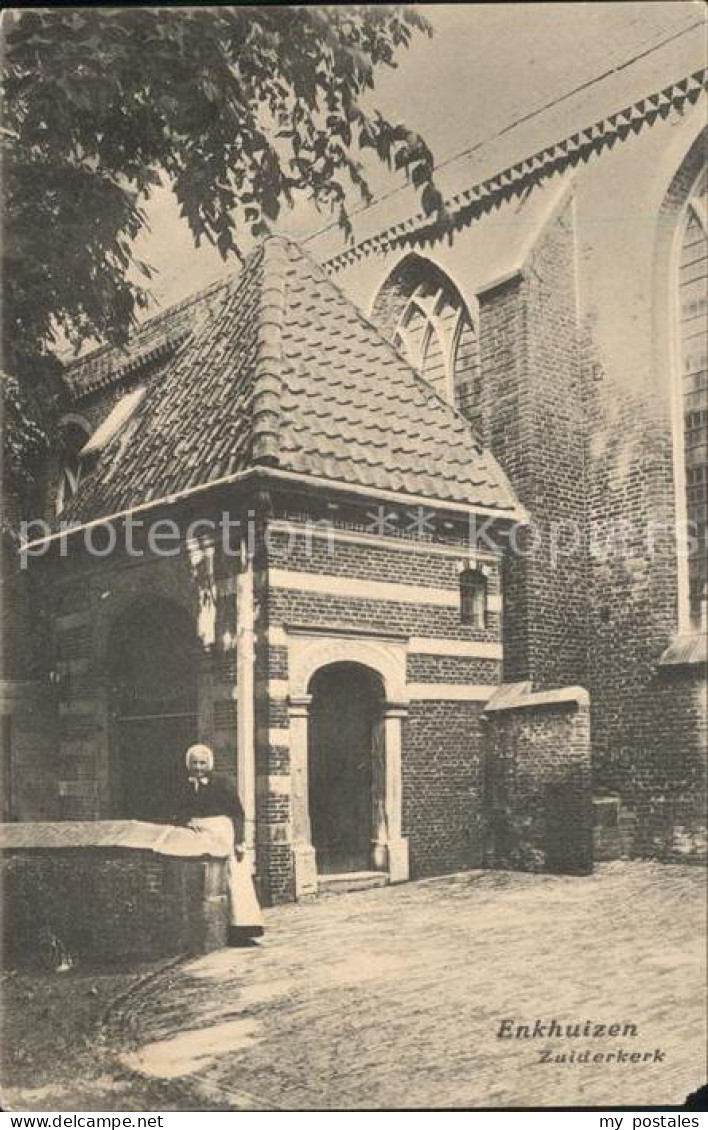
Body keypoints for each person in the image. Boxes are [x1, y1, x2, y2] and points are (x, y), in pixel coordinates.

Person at [171, 743, 264, 946]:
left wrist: (240, 841)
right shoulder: (183, 784)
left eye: (202, 763)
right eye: (194, 763)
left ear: (209, 764)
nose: (198, 767)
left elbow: (238, 813)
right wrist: (185, 823)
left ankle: (240, 930)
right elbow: (177, 810)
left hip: (223, 833)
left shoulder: (223, 783)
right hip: (196, 834)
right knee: (206, 879)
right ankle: (209, 930)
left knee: (233, 878)